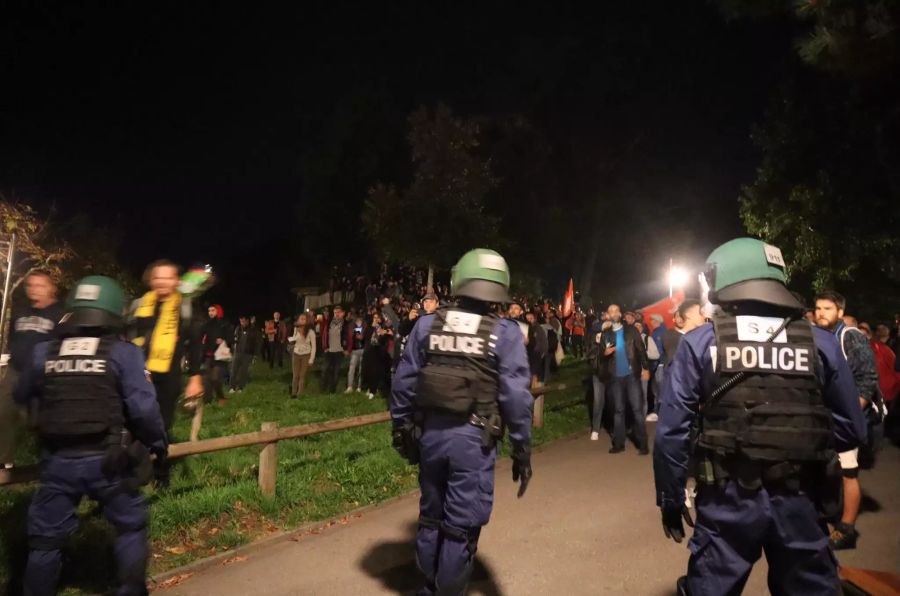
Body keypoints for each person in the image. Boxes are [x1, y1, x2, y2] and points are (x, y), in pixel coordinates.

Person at [654, 238, 866, 595]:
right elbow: (851, 429)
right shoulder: (822, 344)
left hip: (727, 498)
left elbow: (671, 434)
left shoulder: (701, 343)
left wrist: (672, 498)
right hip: (801, 498)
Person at [390, 249, 533, 595]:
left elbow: (404, 382)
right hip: (474, 440)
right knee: (459, 528)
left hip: (430, 436)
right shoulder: (505, 333)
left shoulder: (427, 324)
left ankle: (427, 586)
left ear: (458, 281)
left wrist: (401, 428)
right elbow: (516, 397)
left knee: (430, 518)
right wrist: (522, 449)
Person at [15, 275, 168, 596]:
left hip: (57, 461)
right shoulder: (124, 353)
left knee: (45, 542)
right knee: (129, 526)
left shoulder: (43, 352)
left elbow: (22, 394)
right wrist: (158, 445)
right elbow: (144, 409)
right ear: (114, 312)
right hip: (110, 462)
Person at [814, 290, 881, 550]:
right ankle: (825, 515)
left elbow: (867, 380)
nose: (821, 313)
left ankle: (847, 528)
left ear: (840, 312)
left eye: (828, 309)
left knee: (848, 472)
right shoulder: (822, 336)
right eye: (818, 308)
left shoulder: (850, 337)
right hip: (827, 418)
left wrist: (849, 413)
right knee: (827, 470)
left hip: (845, 419)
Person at [127, 260, 203, 483]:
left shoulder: (184, 308)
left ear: (176, 281)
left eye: (168, 277)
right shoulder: (140, 306)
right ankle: (136, 473)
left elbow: (196, 344)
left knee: (162, 425)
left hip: (168, 376)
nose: (162, 282)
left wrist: (195, 377)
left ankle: (161, 475)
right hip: (138, 374)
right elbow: (127, 336)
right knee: (134, 422)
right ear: (151, 280)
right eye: (157, 277)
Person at [1, 271, 63, 469]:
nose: (34, 289)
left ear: (52, 288)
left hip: (44, 373)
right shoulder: (21, 311)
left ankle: (48, 461)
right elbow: (13, 338)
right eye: (31, 285)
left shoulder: (61, 312)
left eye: (40, 285)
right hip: (16, 369)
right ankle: (3, 461)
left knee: (40, 420)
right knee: (3, 410)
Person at [605, 304, 650, 454]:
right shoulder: (606, 334)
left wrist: (645, 368)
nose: (613, 313)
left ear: (620, 314)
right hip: (615, 377)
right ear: (608, 315)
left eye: (616, 310)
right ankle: (619, 443)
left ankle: (643, 444)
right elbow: (599, 356)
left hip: (631, 375)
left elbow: (641, 349)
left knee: (637, 409)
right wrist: (605, 353)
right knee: (618, 410)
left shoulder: (631, 330)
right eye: (610, 311)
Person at [201, 304, 231, 405]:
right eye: (209, 311)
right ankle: (207, 400)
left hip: (220, 355)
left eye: (213, 310)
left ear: (218, 311)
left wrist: (223, 340)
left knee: (216, 378)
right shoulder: (207, 324)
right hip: (209, 355)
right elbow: (202, 337)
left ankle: (221, 397)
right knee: (206, 379)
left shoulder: (224, 324)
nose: (210, 313)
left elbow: (230, 338)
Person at [361, 312, 391, 399]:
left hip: (378, 352)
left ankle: (373, 390)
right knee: (368, 370)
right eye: (374, 317)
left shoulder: (383, 328)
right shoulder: (369, 327)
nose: (376, 319)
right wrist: (371, 327)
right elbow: (365, 338)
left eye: (377, 317)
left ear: (380, 319)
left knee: (375, 372)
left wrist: (381, 333)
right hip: (369, 351)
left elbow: (384, 341)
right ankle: (370, 388)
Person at [321, 305, 350, 393]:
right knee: (325, 369)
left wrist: (347, 349)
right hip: (329, 351)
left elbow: (348, 337)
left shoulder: (345, 324)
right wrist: (325, 347)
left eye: (338, 312)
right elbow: (324, 335)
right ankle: (323, 388)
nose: (336, 314)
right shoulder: (329, 322)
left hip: (339, 351)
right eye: (335, 312)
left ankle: (332, 390)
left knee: (336, 372)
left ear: (342, 313)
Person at [288, 313, 316, 398]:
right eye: (301, 319)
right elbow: (294, 339)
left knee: (302, 376)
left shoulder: (311, 332)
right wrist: (292, 339)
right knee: (295, 375)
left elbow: (314, 346)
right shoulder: (296, 329)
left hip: (306, 355)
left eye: (305, 319)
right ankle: (293, 393)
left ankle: (300, 394)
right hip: (296, 354)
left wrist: (311, 359)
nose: (303, 320)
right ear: (298, 320)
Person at [229, 316, 258, 393]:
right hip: (238, 352)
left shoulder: (253, 330)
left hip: (248, 354)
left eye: (244, 321)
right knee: (234, 370)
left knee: (243, 371)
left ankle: (241, 388)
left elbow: (256, 343)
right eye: (241, 321)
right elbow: (234, 339)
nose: (242, 323)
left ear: (247, 321)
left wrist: (255, 354)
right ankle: (232, 387)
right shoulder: (238, 329)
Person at [346, 316, 366, 393]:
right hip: (354, 350)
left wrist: (362, 337)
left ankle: (359, 387)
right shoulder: (352, 328)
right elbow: (349, 339)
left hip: (363, 350)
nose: (358, 323)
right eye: (357, 321)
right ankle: (350, 386)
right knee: (351, 368)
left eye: (360, 321)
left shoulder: (365, 328)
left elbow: (367, 339)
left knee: (361, 369)